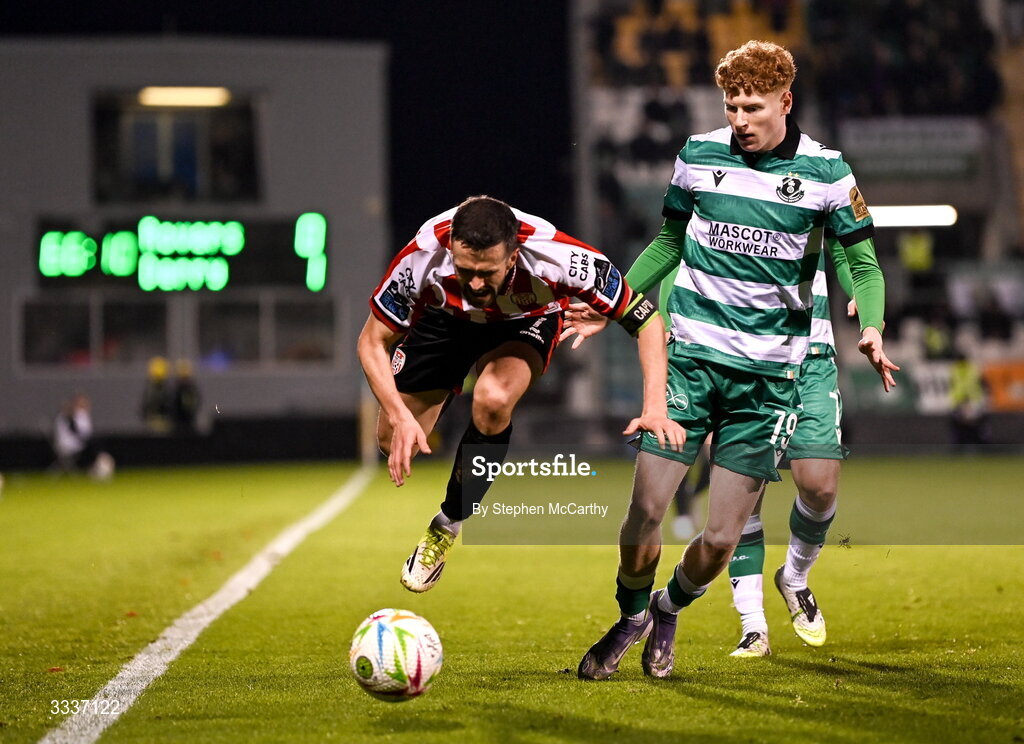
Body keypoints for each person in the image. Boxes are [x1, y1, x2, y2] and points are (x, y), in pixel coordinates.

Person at [570, 40, 898, 680]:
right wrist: (614, 305)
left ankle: (669, 606)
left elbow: (861, 261)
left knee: (720, 540)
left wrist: (874, 324)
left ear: (785, 101)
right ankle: (632, 613)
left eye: (752, 107)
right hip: (689, 364)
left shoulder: (829, 174)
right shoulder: (696, 156)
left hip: (766, 383)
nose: (740, 119)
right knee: (646, 511)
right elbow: (668, 241)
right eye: (731, 106)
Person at [357, 195, 685, 594]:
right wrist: (399, 412)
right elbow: (371, 341)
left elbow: (646, 320)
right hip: (446, 320)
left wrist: (654, 406)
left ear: (513, 257)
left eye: (487, 272)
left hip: (523, 321)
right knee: (390, 439)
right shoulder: (422, 257)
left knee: (493, 399)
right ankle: (437, 387)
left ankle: (447, 524)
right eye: (465, 270)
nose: (476, 283)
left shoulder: (562, 258)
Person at [726, 248, 860, 658]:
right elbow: (677, 245)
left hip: (811, 357)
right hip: (742, 356)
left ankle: (795, 578)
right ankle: (753, 626)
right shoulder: (722, 185)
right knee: (740, 498)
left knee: (820, 487)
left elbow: (853, 252)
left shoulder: (817, 183)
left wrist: (868, 307)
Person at [53, 394, 116, 480]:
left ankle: (100, 463)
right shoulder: (69, 416)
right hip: (69, 446)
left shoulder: (79, 415)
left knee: (96, 443)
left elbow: (84, 433)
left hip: (77, 444)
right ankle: (99, 465)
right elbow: (78, 433)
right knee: (94, 443)